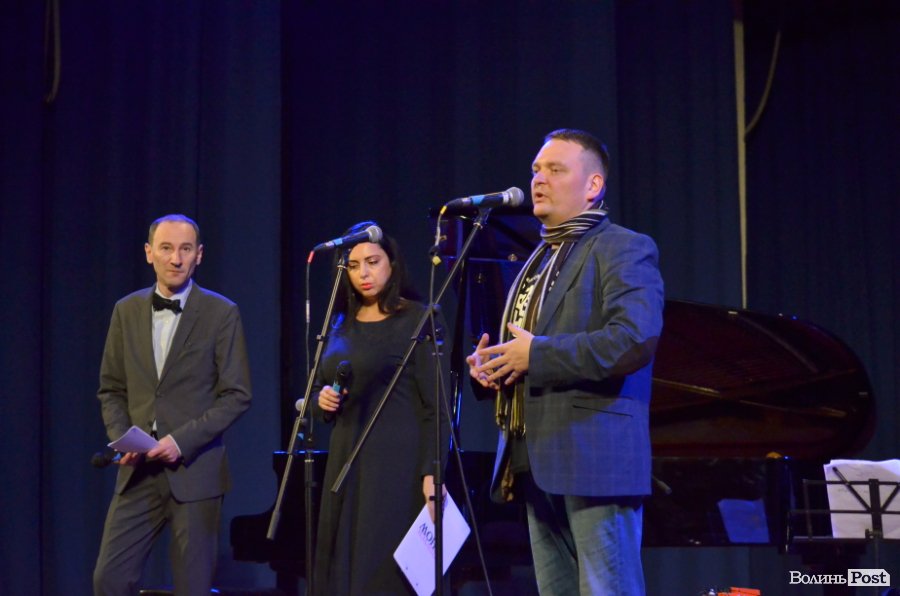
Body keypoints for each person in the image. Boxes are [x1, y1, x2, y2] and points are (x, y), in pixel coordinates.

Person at [466, 129, 664, 595]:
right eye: (536, 169)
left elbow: (632, 339)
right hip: (536, 455)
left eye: (555, 170)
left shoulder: (623, 247)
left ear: (593, 185)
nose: (539, 179)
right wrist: (497, 364)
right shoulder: (537, 259)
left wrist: (535, 354)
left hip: (595, 456)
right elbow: (528, 347)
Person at [93, 214, 252, 595]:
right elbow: (111, 389)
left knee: (192, 587)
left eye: (185, 249)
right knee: (109, 579)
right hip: (139, 473)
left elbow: (237, 394)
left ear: (199, 255)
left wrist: (180, 442)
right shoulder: (126, 310)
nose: (176, 258)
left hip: (195, 471)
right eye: (166, 248)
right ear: (149, 253)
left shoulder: (221, 312)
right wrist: (123, 439)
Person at [313, 222, 450, 596]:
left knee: (385, 572)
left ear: (392, 263)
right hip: (346, 458)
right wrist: (322, 400)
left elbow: (436, 405)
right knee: (344, 571)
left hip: (397, 465)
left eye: (372, 262)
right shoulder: (339, 322)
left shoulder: (419, 318)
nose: (364, 273)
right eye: (354, 266)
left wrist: (432, 472)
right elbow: (321, 387)